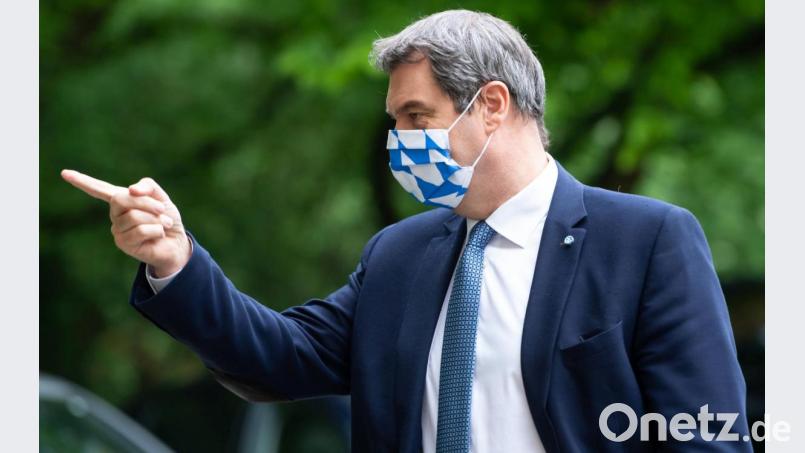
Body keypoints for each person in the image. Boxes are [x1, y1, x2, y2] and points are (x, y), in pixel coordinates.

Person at [61, 9, 751, 453]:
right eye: (395, 120)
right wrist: (176, 260)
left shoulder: (646, 239)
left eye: (416, 116)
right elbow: (280, 356)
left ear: (490, 105)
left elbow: (706, 436)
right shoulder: (399, 255)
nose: (399, 140)